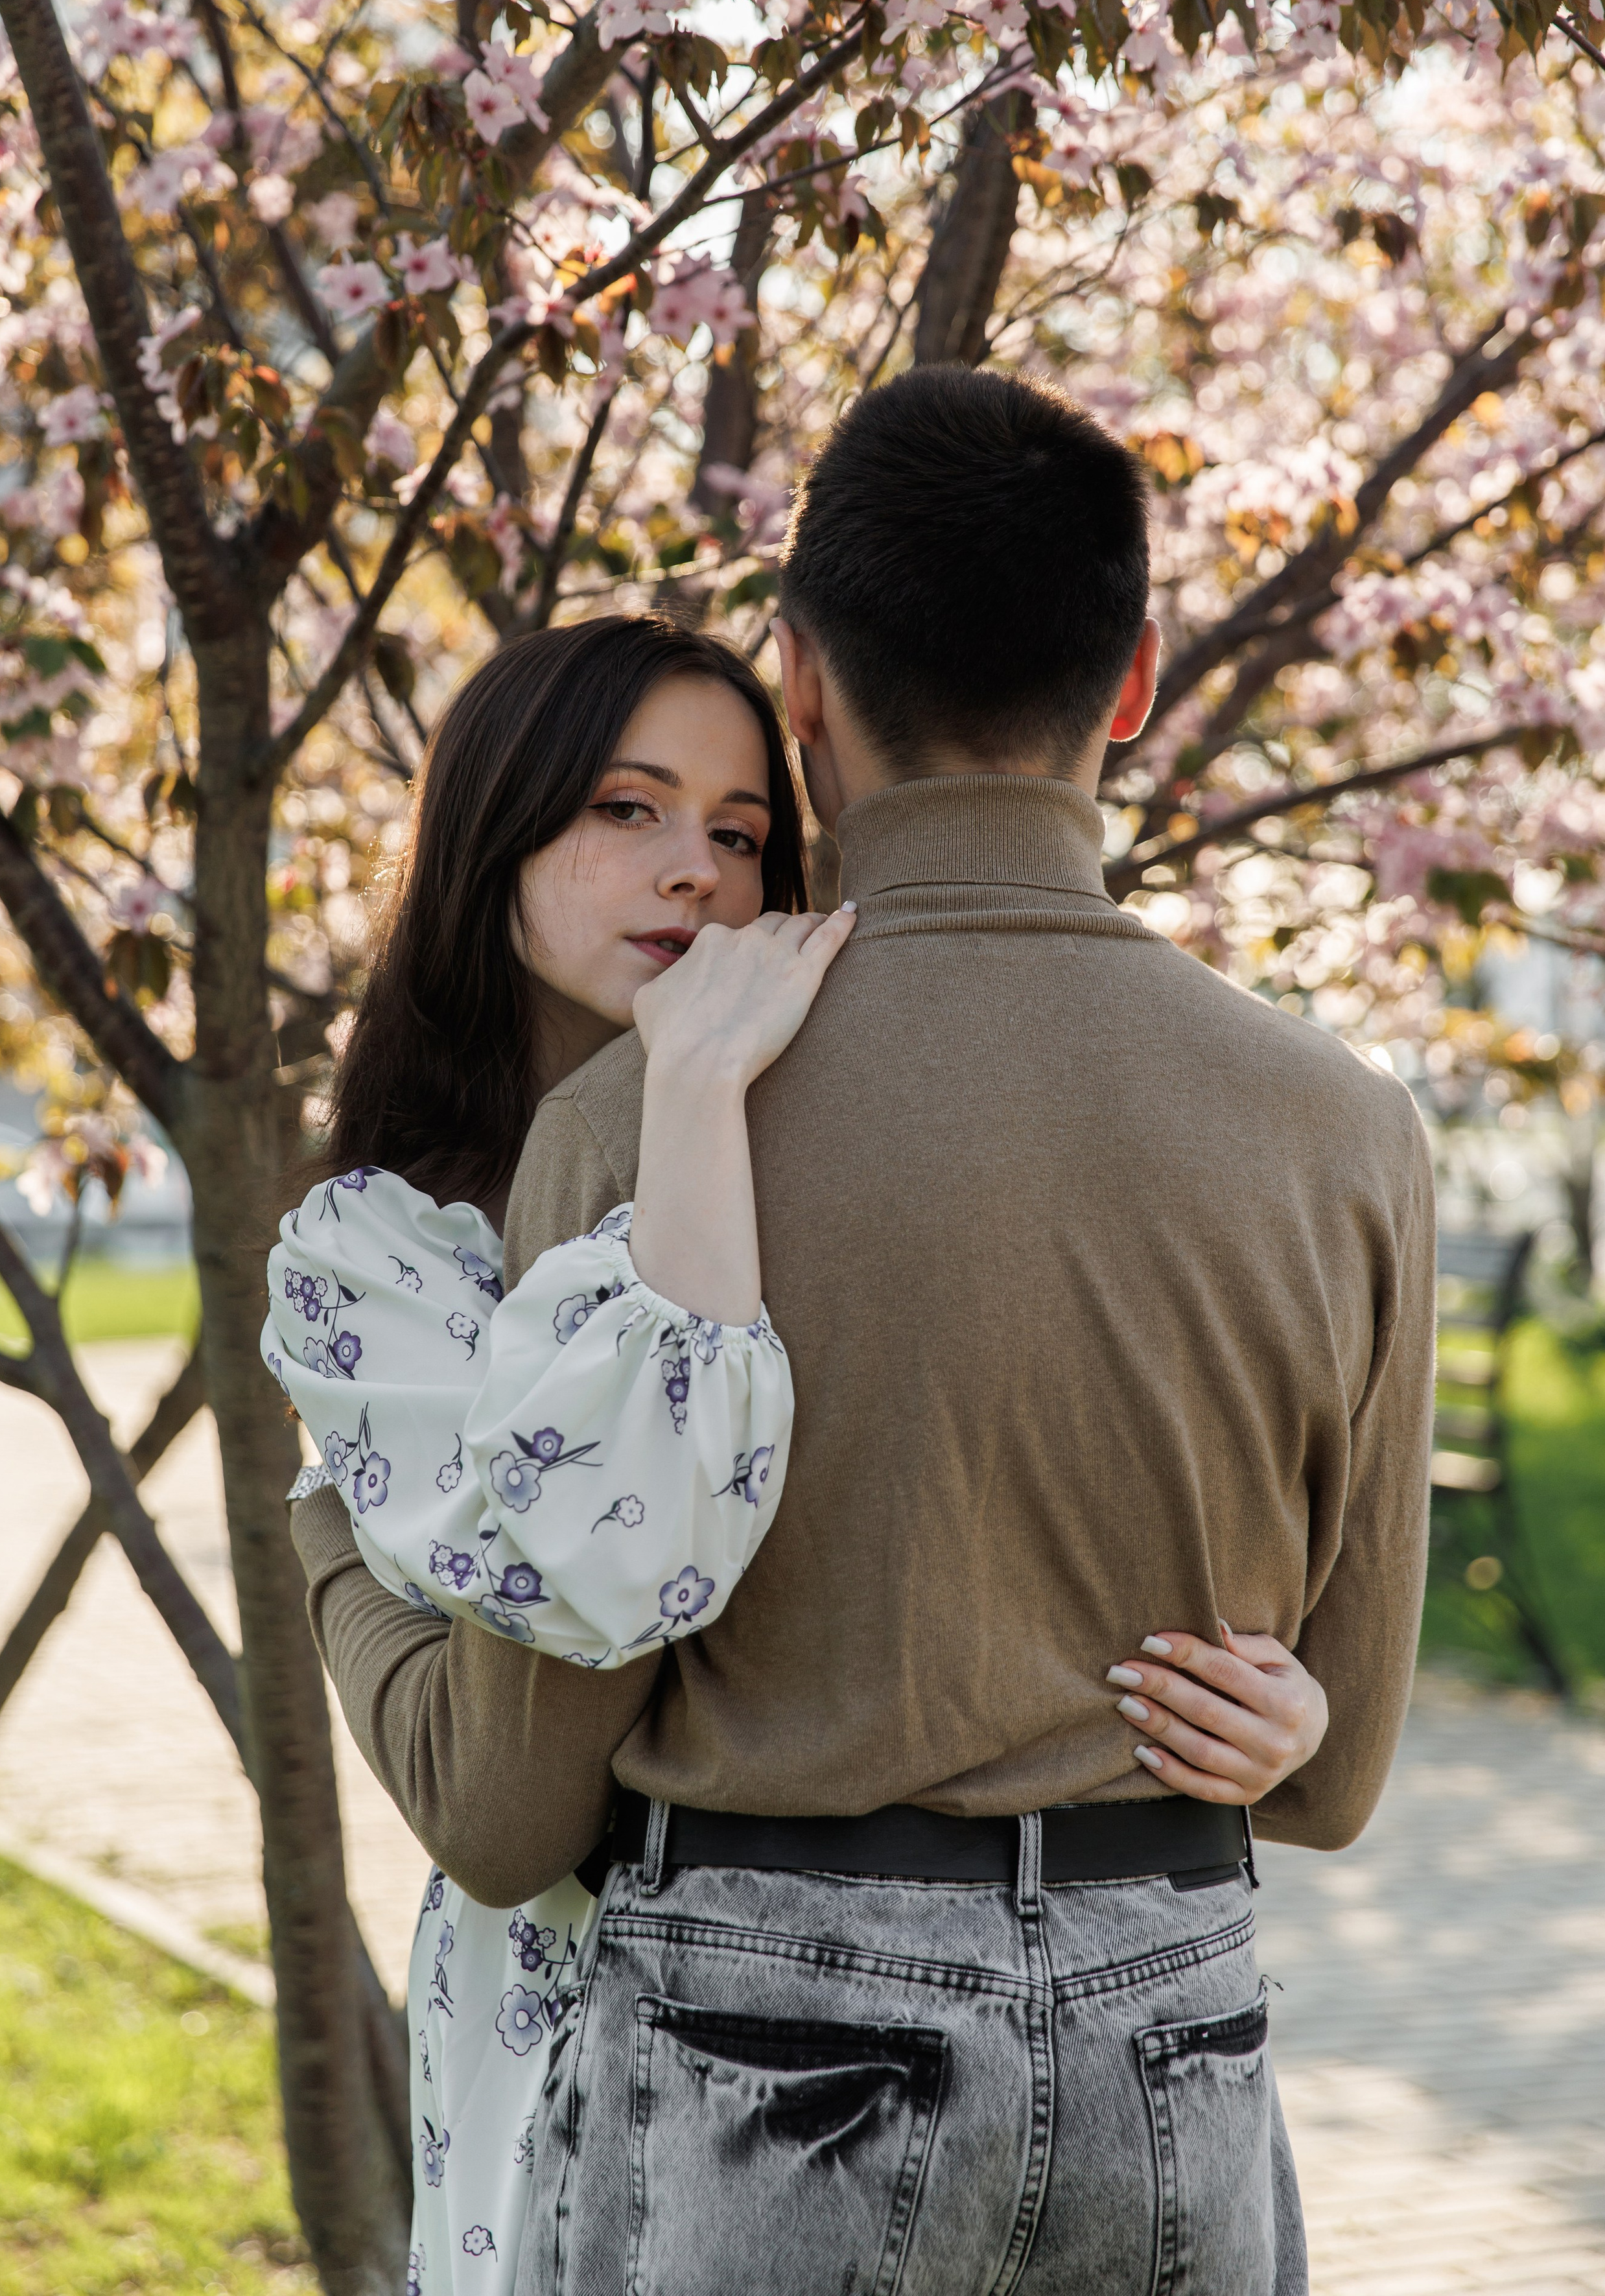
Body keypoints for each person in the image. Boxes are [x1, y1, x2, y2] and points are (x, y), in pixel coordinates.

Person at [292, 368, 1432, 2293]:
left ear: (801, 687)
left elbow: (517, 1799)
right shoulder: (1348, 1129)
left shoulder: (646, 1122)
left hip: (765, 2051)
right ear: (1136, 680)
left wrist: (331, 1534)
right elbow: (1333, 1774)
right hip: (1178, 2032)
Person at [264, 613, 856, 2291]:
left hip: (852, 2007)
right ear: (494, 831)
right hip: (560, 2022)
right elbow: (579, 1621)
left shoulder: (836, 1159)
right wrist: (684, 1102)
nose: (696, 873)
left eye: (740, 831)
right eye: (627, 808)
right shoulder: (372, 1252)